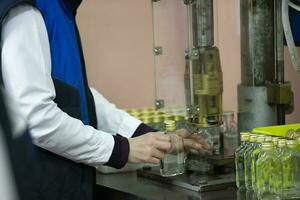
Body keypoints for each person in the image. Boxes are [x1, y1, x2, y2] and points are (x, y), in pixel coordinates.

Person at [0, 0, 210, 199]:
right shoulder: (26, 9)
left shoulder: (60, 8)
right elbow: (35, 118)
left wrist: (151, 137)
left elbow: (76, 94)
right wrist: (121, 149)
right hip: (41, 187)